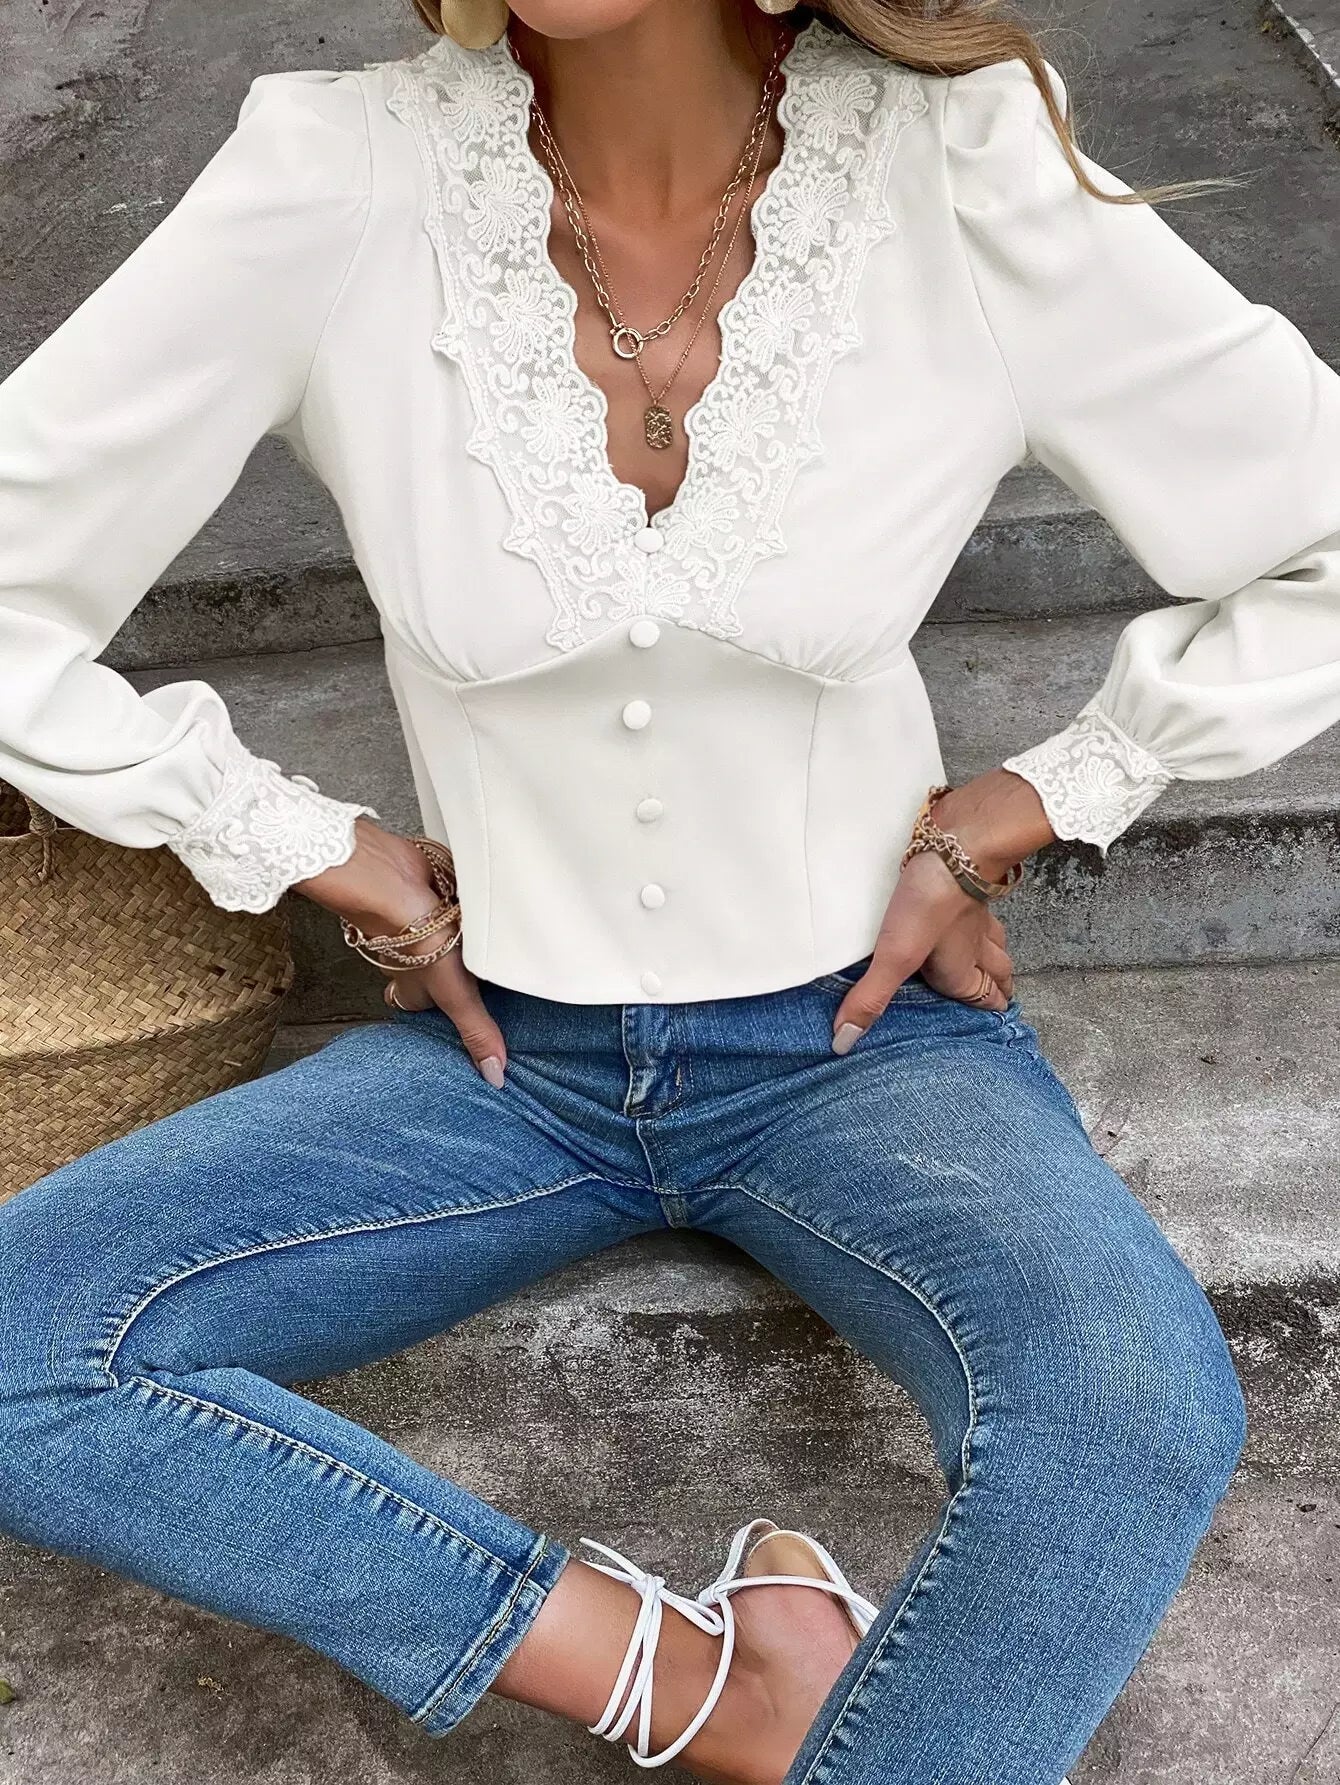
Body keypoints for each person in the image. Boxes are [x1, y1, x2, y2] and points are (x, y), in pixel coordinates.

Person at [0, 0, 1336, 1777]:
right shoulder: (336, 180)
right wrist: (287, 832)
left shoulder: (961, 173)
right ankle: (700, 1684)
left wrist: (1039, 796)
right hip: (507, 1060)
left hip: (858, 1042)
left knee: (1134, 1407)